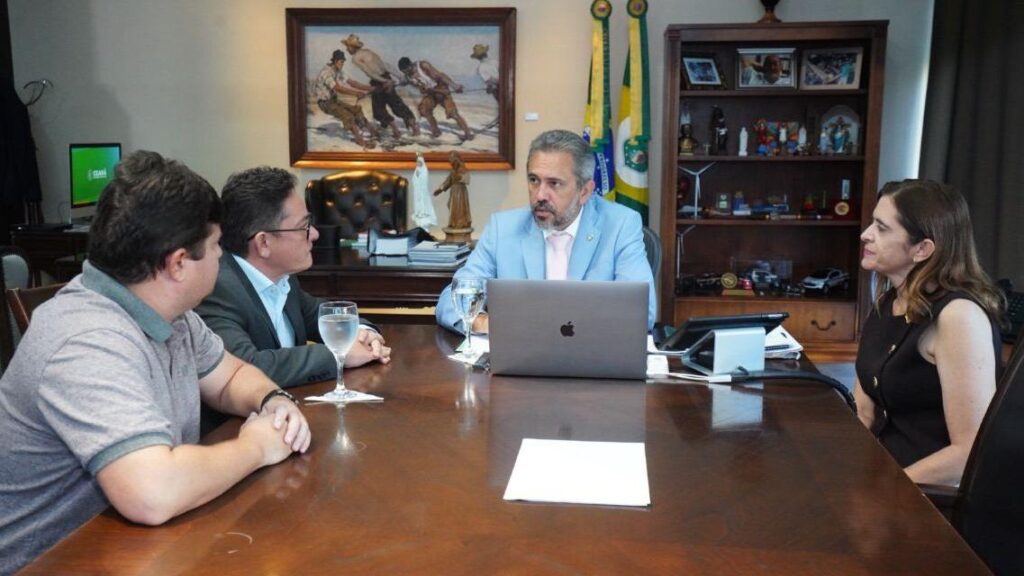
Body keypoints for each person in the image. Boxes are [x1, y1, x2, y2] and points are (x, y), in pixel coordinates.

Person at [0, 151, 312, 574]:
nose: (222, 258)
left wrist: (271, 399)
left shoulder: (170, 313)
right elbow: (152, 492)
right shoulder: (87, 341)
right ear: (178, 263)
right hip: (49, 561)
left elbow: (230, 376)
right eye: (216, 246)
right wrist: (256, 447)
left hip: (135, 547)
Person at [855, 179, 1004, 486]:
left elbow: (969, 453)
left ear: (922, 249)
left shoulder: (959, 317)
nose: (865, 234)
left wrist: (879, 492)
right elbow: (864, 414)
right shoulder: (887, 304)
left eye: (881, 228)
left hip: (927, 494)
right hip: (883, 473)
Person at [435, 129, 656, 333]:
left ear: (585, 191)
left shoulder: (620, 225)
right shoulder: (503, 229)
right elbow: (451, 301)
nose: (540, 195)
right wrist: (489, 324)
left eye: (554, 183)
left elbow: (641, 311)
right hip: (521, 356)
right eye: (534, 180)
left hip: (590, 356)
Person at [196, 166, 391, 391]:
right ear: (264, 243)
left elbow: (323, 316)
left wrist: (365, 334)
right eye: (303, 227)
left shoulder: (282, 278)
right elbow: (244, 368)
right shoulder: (217, 289)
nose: (315, 234)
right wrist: (338, 353)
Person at [341, 34, 419, 139]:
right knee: (397, 104)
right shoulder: (368, 52)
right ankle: (414, 127)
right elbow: (385, 66)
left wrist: (384, 81)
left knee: (379, 110)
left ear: (352, 47)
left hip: (378, 81)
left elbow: (369, 72)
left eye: (348, 47)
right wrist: (398, 77)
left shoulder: (355, 58)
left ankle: (396, 130)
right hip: (386, 77)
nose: (347, 49)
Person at [397, 56, 474, 141]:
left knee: (452, 113)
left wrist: (454, 86)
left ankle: (468, 134)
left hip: (441, 89)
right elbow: (410, 84)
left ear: (410, 65)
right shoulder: (407, 76)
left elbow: (441, 76)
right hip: (430, 93)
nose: (407, 73)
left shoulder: (423, 65)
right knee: (424, 109)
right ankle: (436, 131)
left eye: (407, 70)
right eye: (404, 72)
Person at [314, 49, 378, 149]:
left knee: (356, 110)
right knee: (347, 115)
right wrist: (356, 93)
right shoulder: (326, 73)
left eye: (343, 62)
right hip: (325, 103)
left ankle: (373, 132)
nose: (342, 64)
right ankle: (360, 140)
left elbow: (352, 83)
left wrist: (371, 88)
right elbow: (338, 88)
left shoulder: (339, 71)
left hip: (334, 100)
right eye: (341, 62)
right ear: (335, 61)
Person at [434, 151, 471, 230]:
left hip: (460, 191)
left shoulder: (463, 170)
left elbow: (467, 180)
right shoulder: (452, 171)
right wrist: (439, 190)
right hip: (454, 191)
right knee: (452, 206)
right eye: (449, 159)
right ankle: (453, 223)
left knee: (460, 207)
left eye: (451, 159)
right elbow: (448, 182)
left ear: (456, 159)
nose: (450, 161)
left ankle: (461, 223)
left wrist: (460, 176)